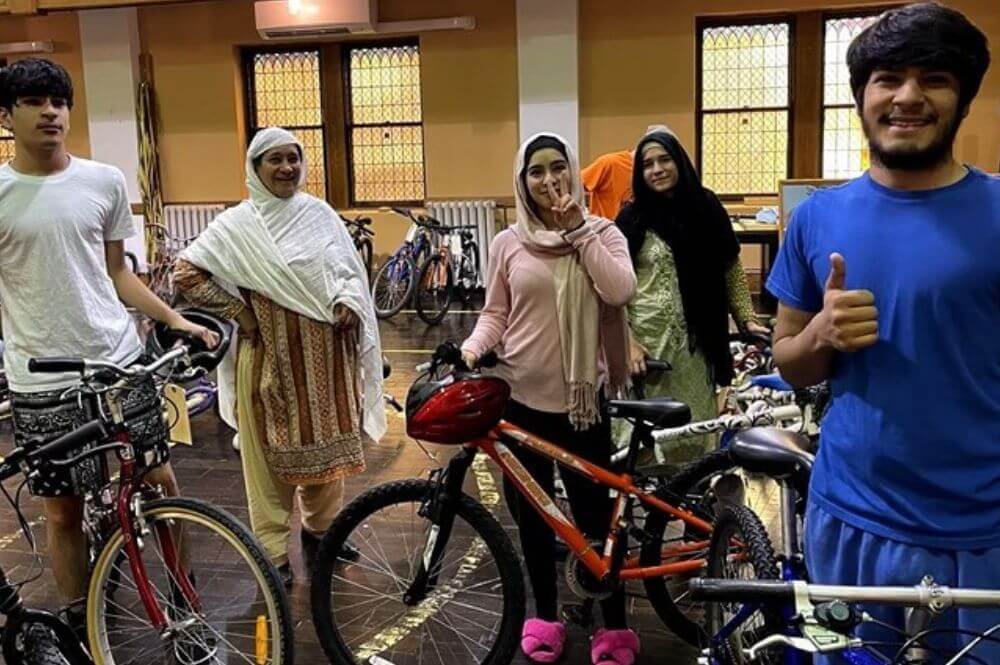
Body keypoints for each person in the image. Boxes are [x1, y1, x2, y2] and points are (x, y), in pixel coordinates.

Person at [766, 4, 998, 661]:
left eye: (935, 79)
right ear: (862, 95)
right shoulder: (817, 219)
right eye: (888, 77)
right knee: (837, 657)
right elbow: (789, 363)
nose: (908, 96)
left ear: (963, 98)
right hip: (847, 524)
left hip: (983, 533)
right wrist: (819, 337)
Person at [0, 58, 217, 641]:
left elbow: (119, 272)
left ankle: (186, 601)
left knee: (161, 483)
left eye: (60, 101)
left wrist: (178, 322)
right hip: (40, 375)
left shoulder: (104, 181)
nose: (51, 112)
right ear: (9, 115)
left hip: (117, 362)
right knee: (62, 509)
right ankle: (79, 620)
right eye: (35, 101)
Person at [175, 126, 385, 586]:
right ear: (255, 168)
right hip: (268, 357)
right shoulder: (238, 225)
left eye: (293, 158)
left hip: (326, 360)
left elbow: (348, 272)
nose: (287, 168)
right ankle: (273, 553)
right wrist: (238, 314)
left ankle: (322, 534)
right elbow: (185, 272)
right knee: (267, 460)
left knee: (326, 456)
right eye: (275, 160)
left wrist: (348, 301)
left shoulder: (319, 215)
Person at [461, 132, 640, 665]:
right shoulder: (507, 244)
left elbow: (619, 290)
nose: (548, 180)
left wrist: (578, 231)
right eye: (535, 172)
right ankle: (544, 615)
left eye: (557, 167)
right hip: (521, 402)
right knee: (534, 520)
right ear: (523, 181)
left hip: (585, 406)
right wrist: (471, 349)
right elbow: (496, 313)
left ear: (573, 171)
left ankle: (614, 627)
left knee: (594, 521)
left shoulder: (604, 232)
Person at [615, 131, 767, 465]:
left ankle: (692, 504)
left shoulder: (707, 208)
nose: (657, 169)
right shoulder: (631, 218)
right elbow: (613, 288)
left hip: (696, 348)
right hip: (647, 348)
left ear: (680, 161)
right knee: (645, 445)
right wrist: (626, 342)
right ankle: (648, 513)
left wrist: (747, 318)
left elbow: (729, 266)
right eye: (647, 164)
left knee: (694, 435)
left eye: (664, 159)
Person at [581, 124, 673, 219]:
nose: (657, 168)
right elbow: (574, 184)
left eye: (664, 159)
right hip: (604, 230)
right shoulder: (610, 163)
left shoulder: (655, 174)